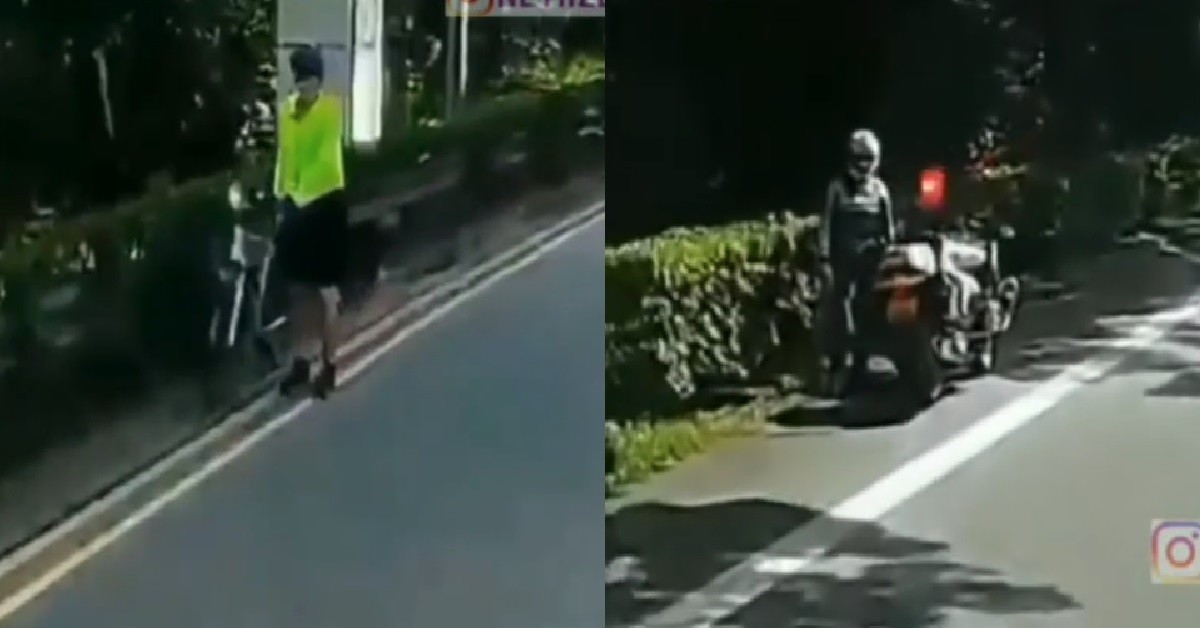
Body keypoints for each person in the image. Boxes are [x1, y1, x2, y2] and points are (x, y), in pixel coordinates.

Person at [273, 44, 349, 399]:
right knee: (299, 290)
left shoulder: (331, 110)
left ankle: (329, 366)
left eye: (309, 79)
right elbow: (285, 158)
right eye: (299, 78)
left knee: (327, 294)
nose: (303, 85)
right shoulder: (287, 112)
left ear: (319, 81)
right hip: (296, 207)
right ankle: (301, 362)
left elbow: (324, 162)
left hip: (325, 205)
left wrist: (300, 198)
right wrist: (281, 198)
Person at [817, 128, 896, 392]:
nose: (863, 165)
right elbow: (827, 225)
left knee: (869, 313)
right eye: (859, 158)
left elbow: (888, 229)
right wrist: (824, 257)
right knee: (840, 314)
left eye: (868, 159)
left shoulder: (880, 189)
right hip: (843, 263)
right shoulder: (838, 188)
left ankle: (862, 365)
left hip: (871, 264)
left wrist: (888, 252)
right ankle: (837, 366)